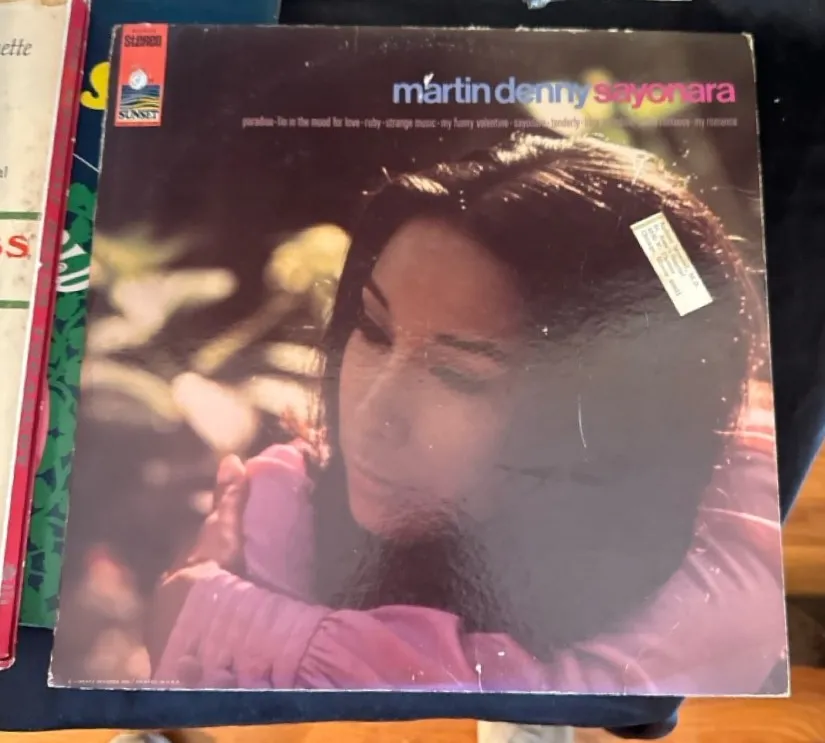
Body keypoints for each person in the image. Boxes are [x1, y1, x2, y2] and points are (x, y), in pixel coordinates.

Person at [148, 133, 785, 694]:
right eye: (373, 329)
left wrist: (233, 621)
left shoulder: (741, 497)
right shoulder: (280, 506)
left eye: (458, 375)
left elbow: (559, 697)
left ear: (610, 424)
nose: (373, 411)